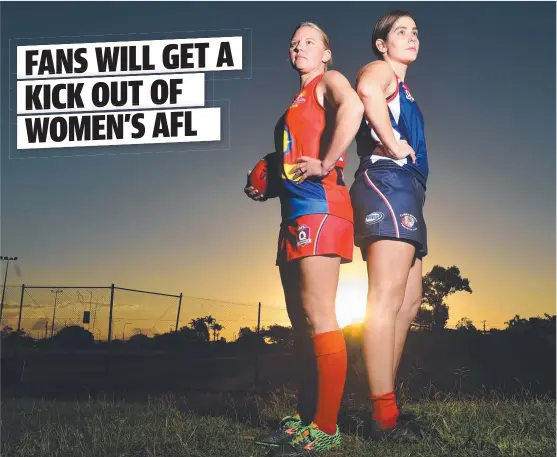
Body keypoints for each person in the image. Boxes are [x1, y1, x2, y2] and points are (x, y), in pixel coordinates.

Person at [244, 21, 363, 456]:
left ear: (327, 53)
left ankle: (326, 429)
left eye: (309, 41)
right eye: (295, 43)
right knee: (300, 323)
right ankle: (305, 417)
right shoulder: (292, 103)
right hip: (291, 213)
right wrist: (267, 178)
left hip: (322, 205)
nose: (299, 47)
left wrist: (328, 160)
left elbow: (352, 108)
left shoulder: (328, 81)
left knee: (320, 314)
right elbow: (291, 158)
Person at [350, 10, 429, 440]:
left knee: (410, 300)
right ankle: (383, 417)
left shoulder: (406, 89)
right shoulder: (381, 71)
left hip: (407, 189)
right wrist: (393, 141)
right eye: (401, 31)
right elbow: (364, 89)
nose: (412, 36)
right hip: (387, 181)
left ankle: (386, 403)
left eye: (415, 31)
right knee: (385, 298)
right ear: (382, 44)